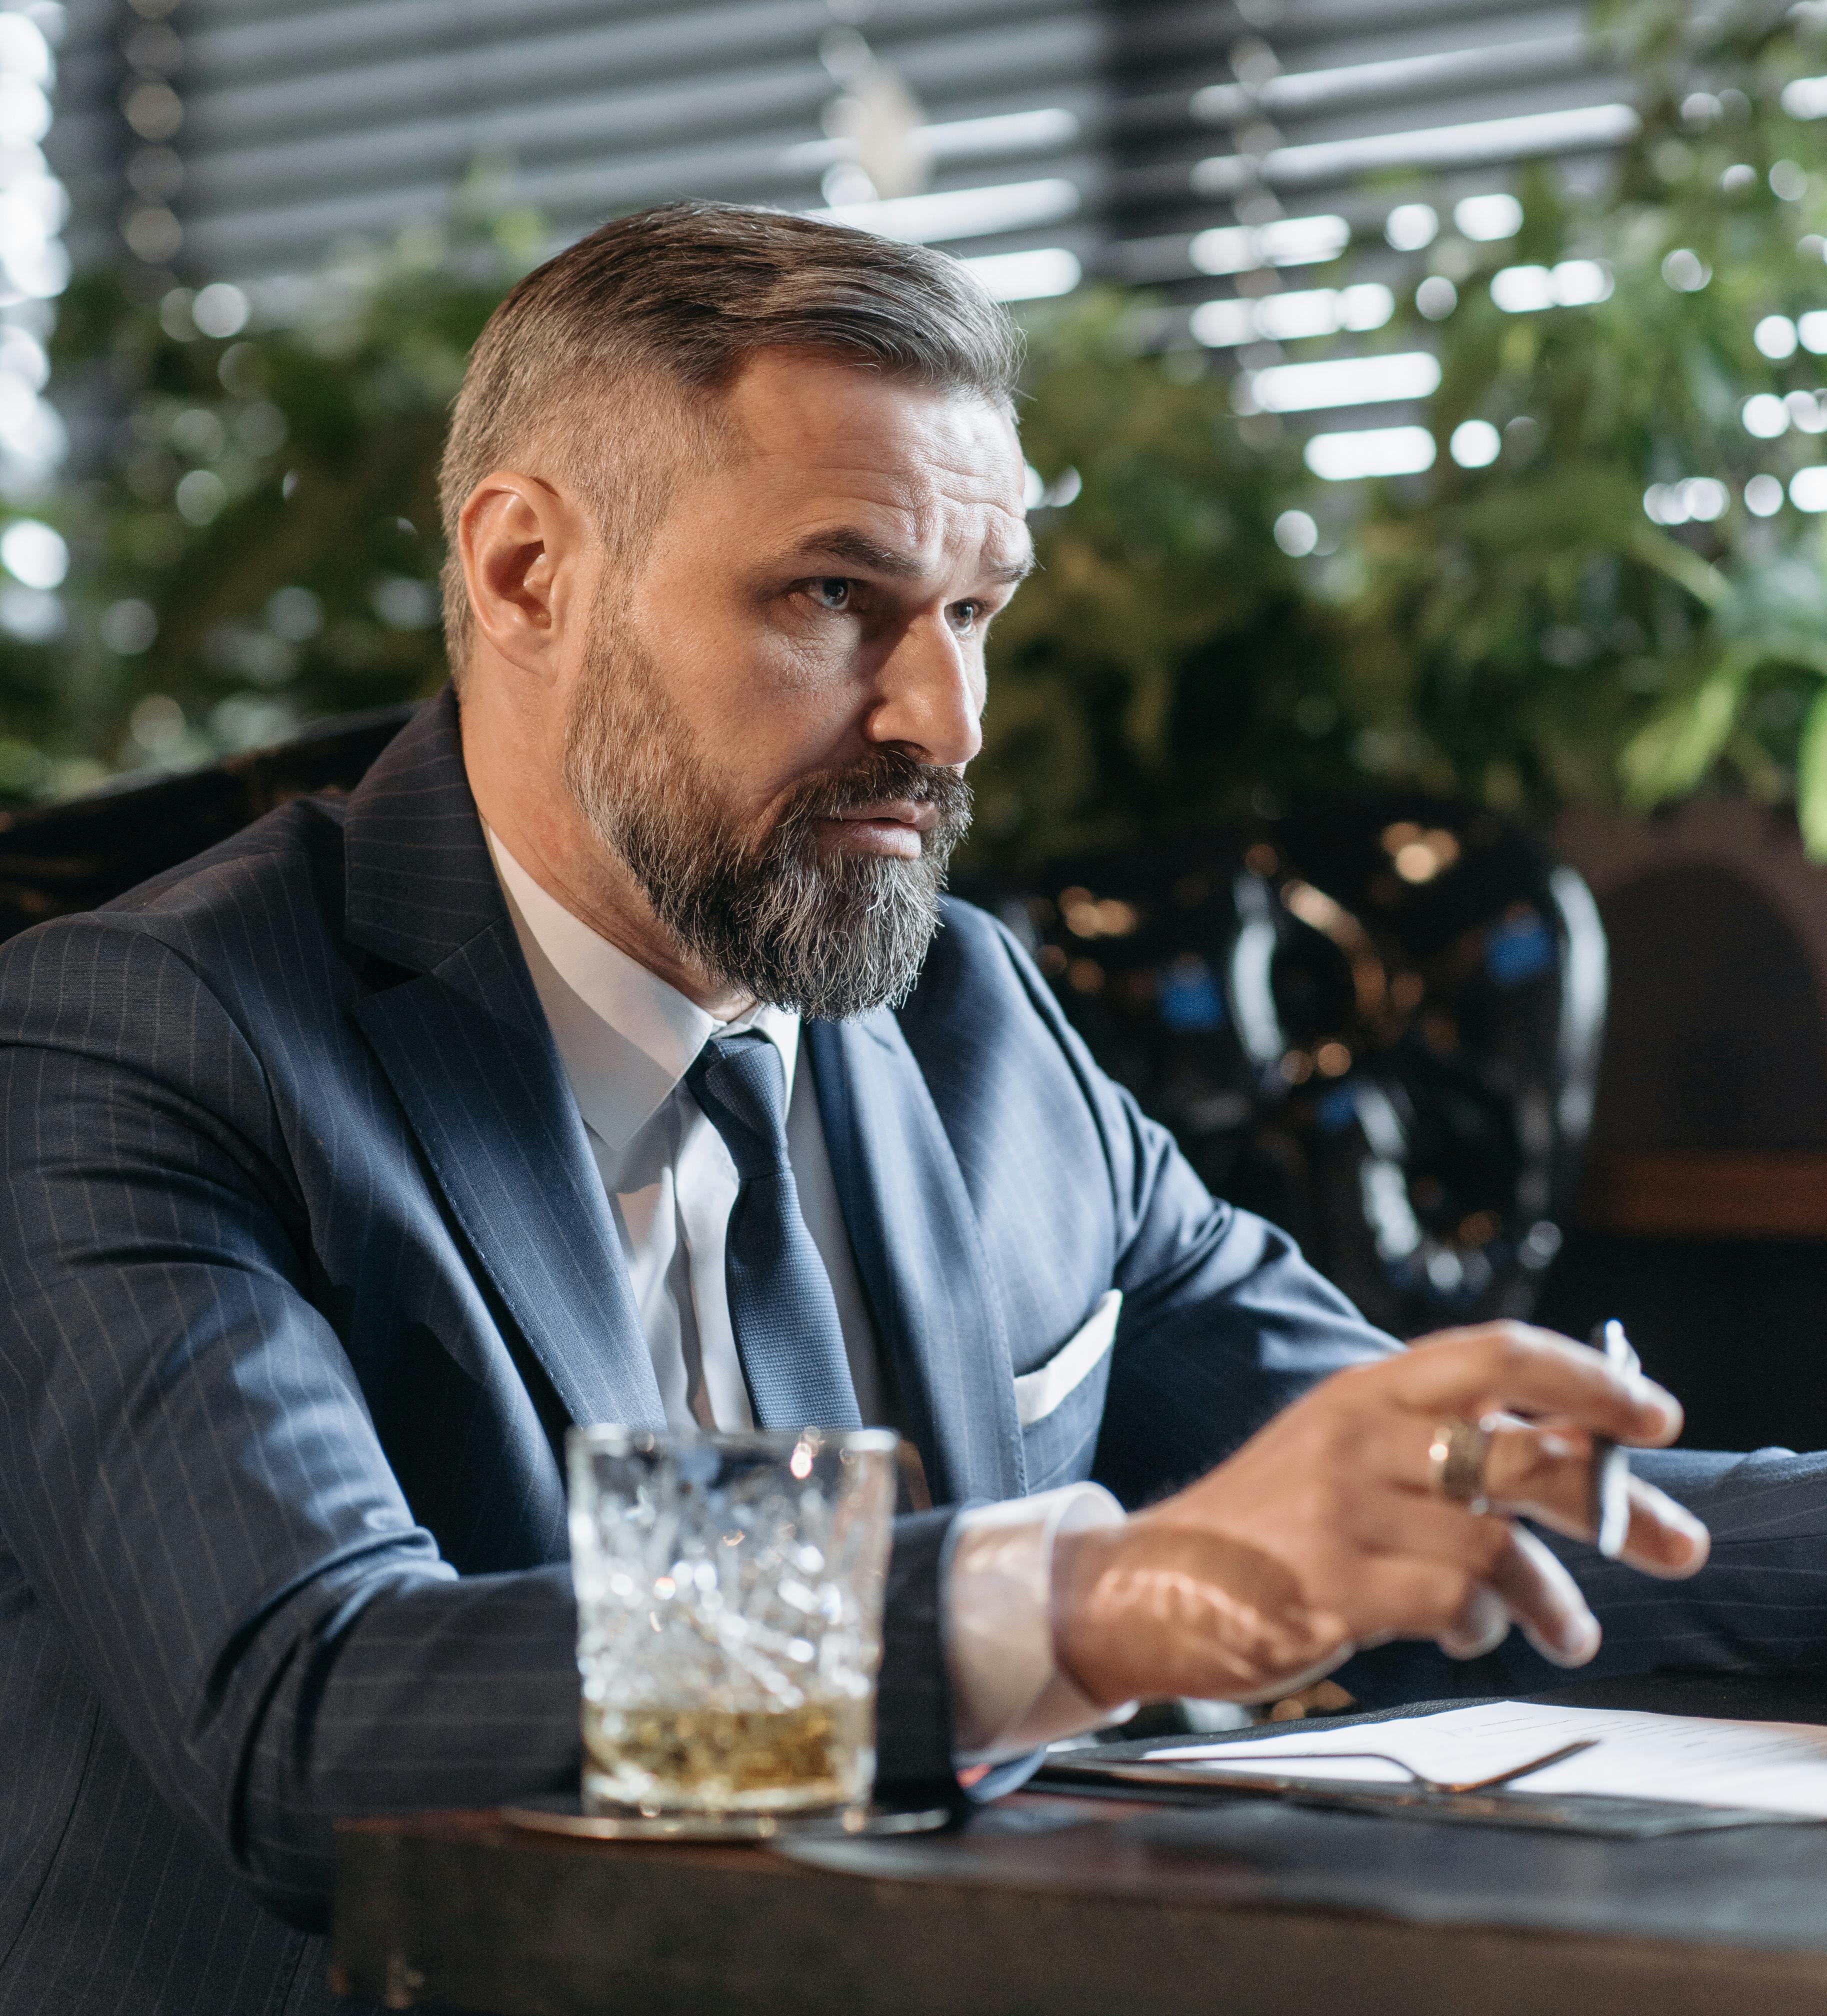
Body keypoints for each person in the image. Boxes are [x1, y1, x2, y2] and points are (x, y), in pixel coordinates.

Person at [0, 204, 1816, 2016]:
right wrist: (1088, 1599)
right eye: (831, 596)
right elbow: (314, 1714)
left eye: (970, 611)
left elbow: (1440, 1500)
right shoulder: (143, 1038)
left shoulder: (973, 1016)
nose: (943, 716)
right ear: (528, 570)